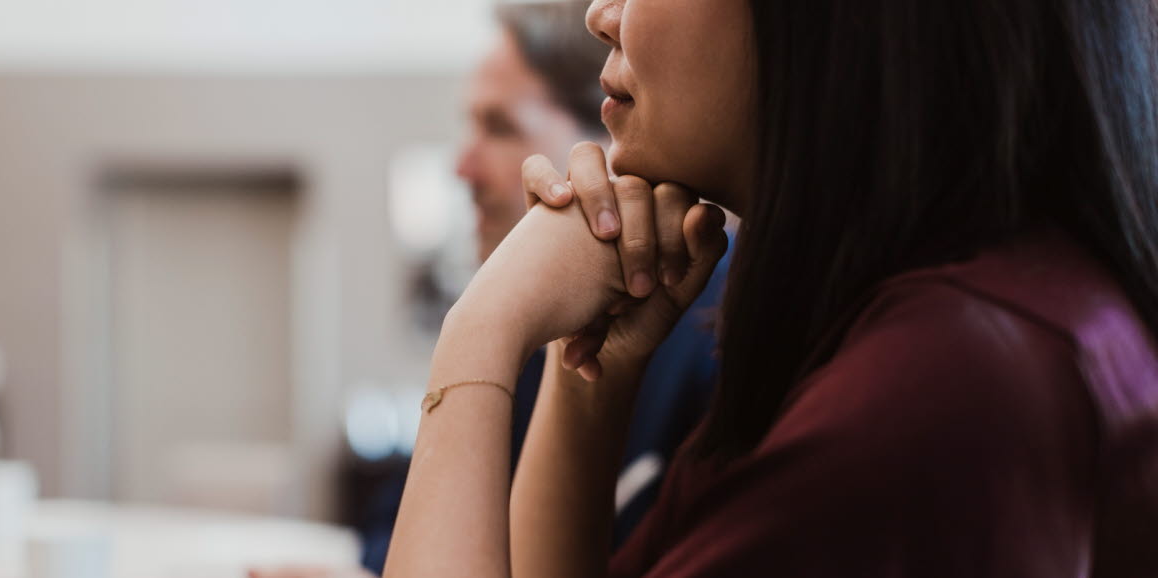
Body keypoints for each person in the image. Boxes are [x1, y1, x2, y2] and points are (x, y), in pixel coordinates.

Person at [383, 0, 1158, 576]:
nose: (601, 14)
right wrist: (588, 380)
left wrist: (480, 330)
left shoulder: (942, 390)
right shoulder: (928, 327)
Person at [251, 3, 726, 577]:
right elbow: (395, 525)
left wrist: (480, 325)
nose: (462, 167)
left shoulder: (717, 340)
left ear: (608, 134)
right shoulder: (557, 335)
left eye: (500, 127)